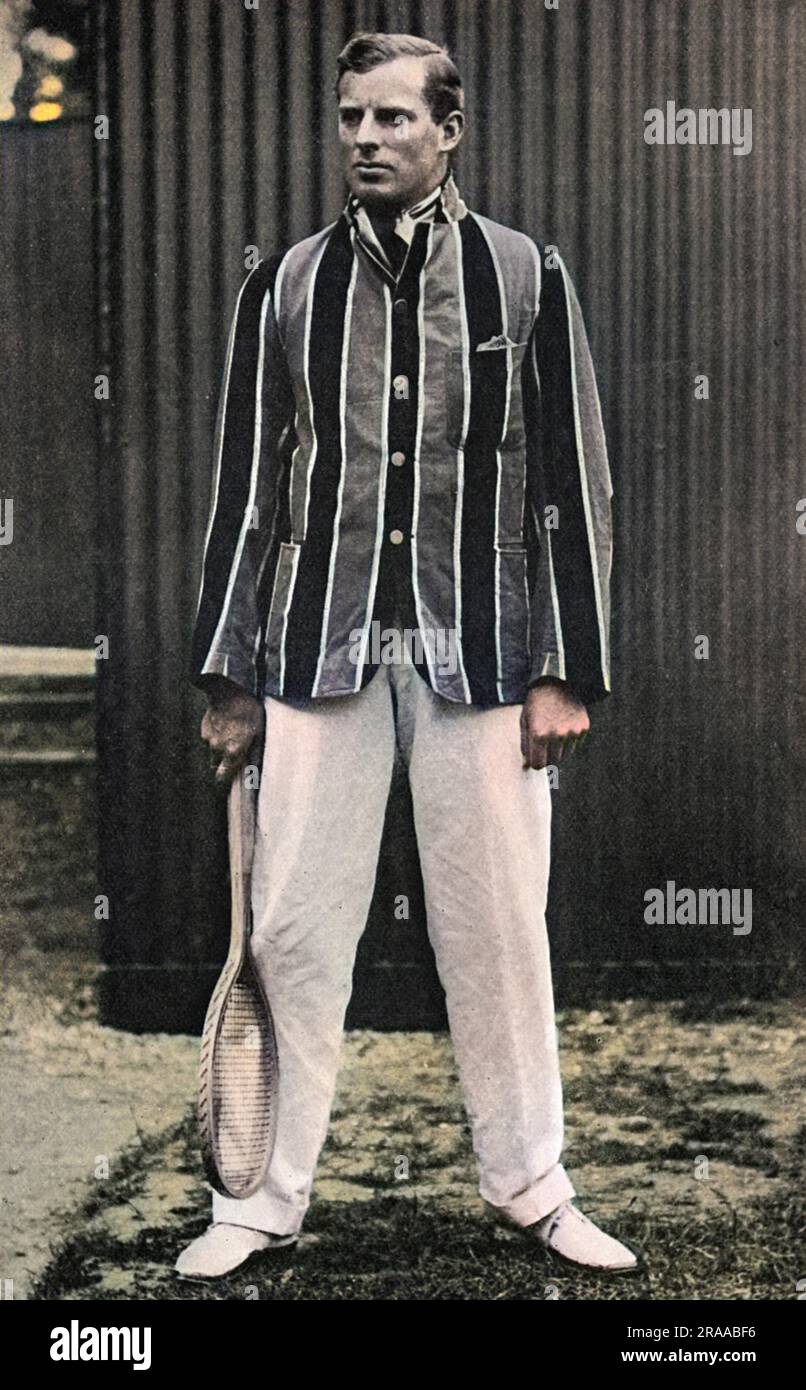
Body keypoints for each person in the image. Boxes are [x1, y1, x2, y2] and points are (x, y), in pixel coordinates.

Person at [177, 31, 636, 1280]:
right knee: (291, 930)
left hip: (482, 657)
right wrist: (228, 678)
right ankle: (261, 1199)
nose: (365, 140)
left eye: (390, 119)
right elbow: (244, 493)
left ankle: (533, 1186)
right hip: (314, 654)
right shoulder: (283, 285)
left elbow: (574, 480)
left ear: (448, 130)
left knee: (495, 931)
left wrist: (563, 672)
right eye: (348, 119)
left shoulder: (522, 277)